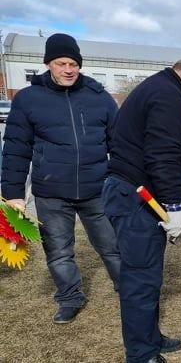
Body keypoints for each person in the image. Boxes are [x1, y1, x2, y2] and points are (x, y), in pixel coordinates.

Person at [1, 33, 121, 324]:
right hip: (51, 192)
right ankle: (70, 297)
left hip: (96, 189)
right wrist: (12, 193)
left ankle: (129, 289)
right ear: (48, 64)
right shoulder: (28, 100)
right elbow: (16, 149)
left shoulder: (99, 98)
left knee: (113, 246)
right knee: (58, 251)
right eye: (61, 63)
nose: (68, 69)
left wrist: (123, 181)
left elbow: (119, 144)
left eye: (73, 64)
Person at [101, 57, 181, 363]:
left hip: (136, 194)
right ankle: (141, 354)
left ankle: (149, 337)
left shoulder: (156, 88)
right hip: (135, 198)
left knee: (149, 273)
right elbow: (162, 155)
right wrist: (174, 206)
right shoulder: (169, 97)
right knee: (140, 278)